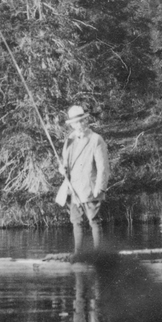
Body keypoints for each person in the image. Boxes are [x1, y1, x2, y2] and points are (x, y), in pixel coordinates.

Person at [57, 104, 110, 253]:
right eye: (75, 122)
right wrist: (62, 169)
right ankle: (78, 254)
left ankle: (98, 254)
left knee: (94, 221)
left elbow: (103, 167)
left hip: (90, 188)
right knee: (76, 222)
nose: (79, 125)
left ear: (86, 121)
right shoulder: (69, 140)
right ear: (72, 124)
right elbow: (66, 163)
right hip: (73, 189)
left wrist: (99, 188)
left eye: (81, 121)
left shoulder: (96, 139)